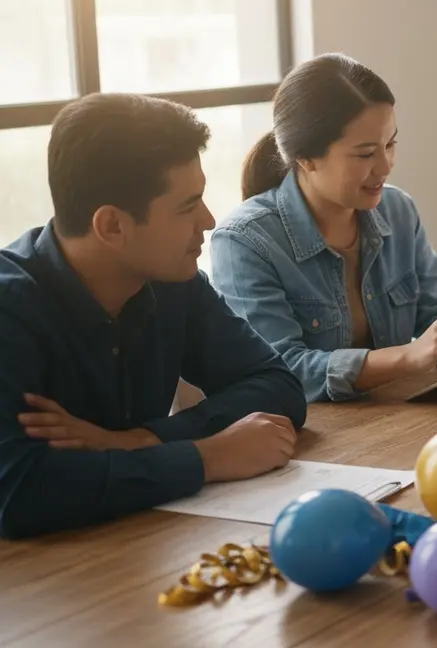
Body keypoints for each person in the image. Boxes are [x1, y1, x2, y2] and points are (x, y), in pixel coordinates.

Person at [0, 94, 307, 539]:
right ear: (112, 226)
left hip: (133, 548)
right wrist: (207, 457)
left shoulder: (172, 281)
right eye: (187, 206)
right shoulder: (11, 310)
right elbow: (17, 493)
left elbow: (279, 386)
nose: (208, 220)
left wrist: (139, 440)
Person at [210, 54, 437, 403]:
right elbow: (283, 371)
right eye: (364, 154)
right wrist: (407, 357)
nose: (385, 166)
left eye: (390, 145)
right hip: (305, 442)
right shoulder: (244, 241)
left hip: (389, 423)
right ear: (306, 158)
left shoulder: (398, 210)